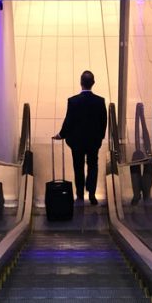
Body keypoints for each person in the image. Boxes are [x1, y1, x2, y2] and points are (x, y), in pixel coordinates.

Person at [53, 70, 108, 205]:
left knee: (78, 166)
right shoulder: (100, 101)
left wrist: (61, 135)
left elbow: (69, 121)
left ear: (80, 82)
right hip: (93, 141)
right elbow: (103, 121)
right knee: (93, 165)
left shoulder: (73, 101)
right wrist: (100, 138)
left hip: (77, 142)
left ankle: (79, 192)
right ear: (93, 83)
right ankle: (92, 194)